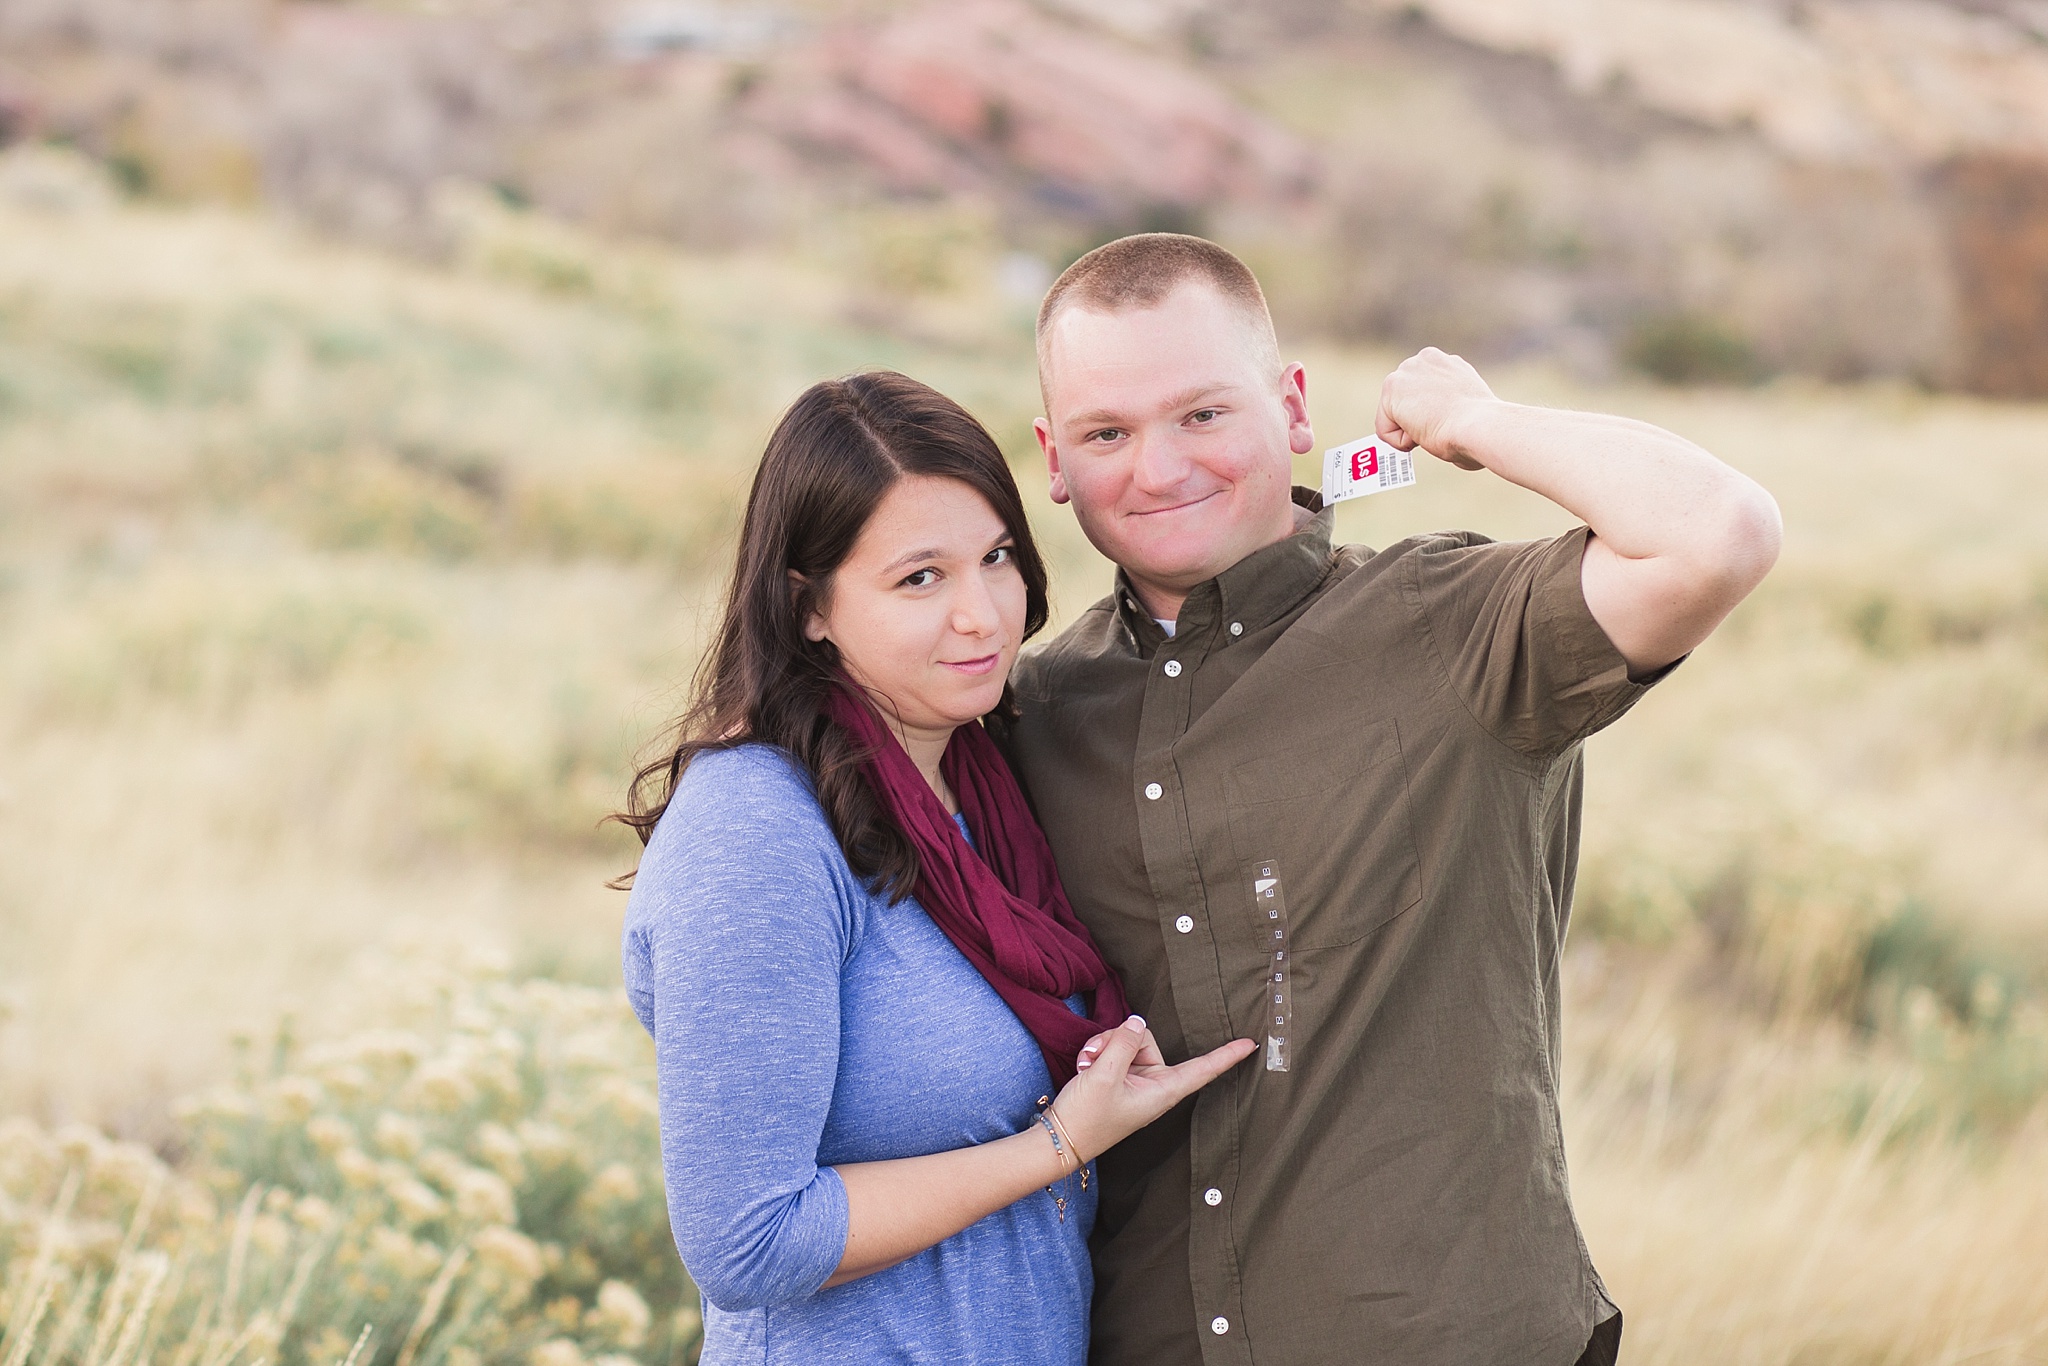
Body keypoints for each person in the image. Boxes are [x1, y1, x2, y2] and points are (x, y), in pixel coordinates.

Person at [1002, 234, 1783, 1366]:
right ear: (1054, 458)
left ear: (1292, 407)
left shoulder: (1449, 627)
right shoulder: (1032, 710)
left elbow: (1720, 533)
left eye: (1203, 415)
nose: (1158, 467)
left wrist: (1470, 420)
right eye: (1106, 433)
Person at [614, 370, 1256, 1366]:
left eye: (995, 558)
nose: (983, 616)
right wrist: (1056, 1146)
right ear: (808, 607)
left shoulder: (985, 786)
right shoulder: (757, 830)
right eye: (920, 577)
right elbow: (746, 1239)